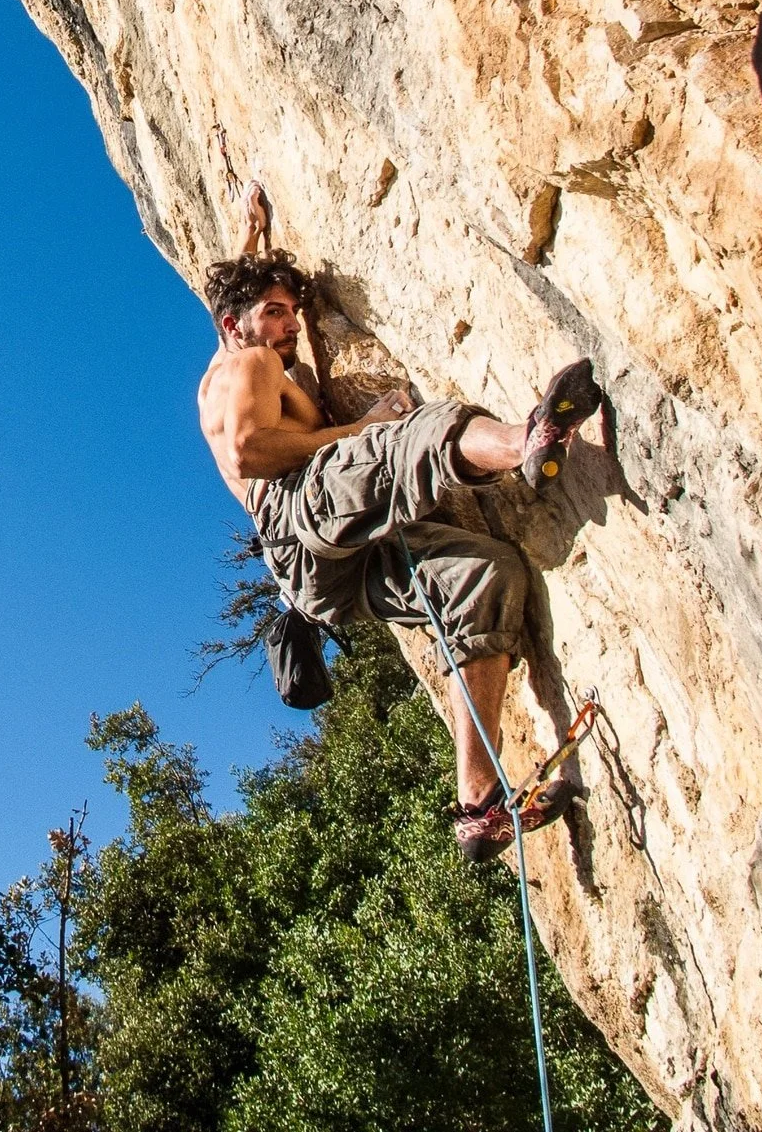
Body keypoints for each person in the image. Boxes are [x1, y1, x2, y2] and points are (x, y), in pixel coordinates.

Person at [196, 186, 600, 861]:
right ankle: (523, 443)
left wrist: (250, 233)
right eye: (277, 313)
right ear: (239, 325)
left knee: (484, 576)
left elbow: (231, 309)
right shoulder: (251, 362)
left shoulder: (233, 354)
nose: (290, 325)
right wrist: (358, 426)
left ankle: (477, 804)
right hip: (299, 515)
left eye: (293, 311)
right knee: (400, 439)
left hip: (322, 574)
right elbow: (248, 449)